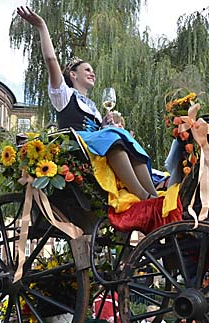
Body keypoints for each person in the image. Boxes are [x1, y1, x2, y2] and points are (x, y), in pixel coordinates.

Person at [17, 6, 158, 201]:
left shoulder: (93, 106)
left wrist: (115, 128)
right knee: (113, 137)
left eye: (93, 71)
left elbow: (103, 131)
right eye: (87, 70)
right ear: (73, 75)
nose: (93, 73)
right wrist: (42, 26)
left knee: (124, 139)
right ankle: (143, 196)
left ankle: (154, 195)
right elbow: (50, 59)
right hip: (77, 147)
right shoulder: (63, 95)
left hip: (97, 146)